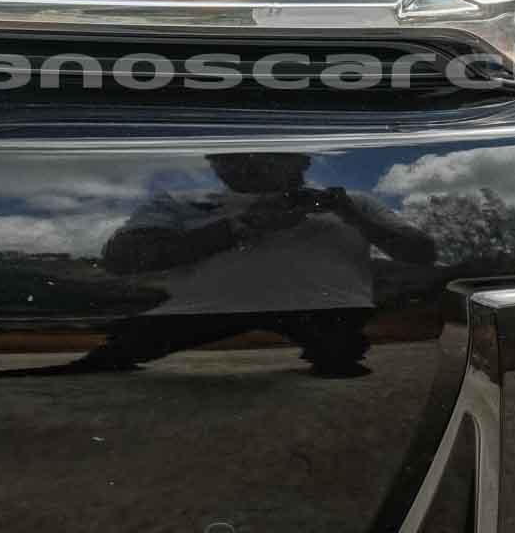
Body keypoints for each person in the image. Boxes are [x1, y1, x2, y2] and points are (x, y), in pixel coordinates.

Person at [46, 153, 434, 378]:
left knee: (340, 358)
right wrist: (241, 226)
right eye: (227, 157)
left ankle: (336, 351)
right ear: (216, 165)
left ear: (301, 161)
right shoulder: (182, 203)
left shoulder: (356, 203)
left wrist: (352, 215)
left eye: (268, 154)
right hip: (197, 312)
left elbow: (421, 254)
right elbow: (121, 259)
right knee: (110, 357)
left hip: (329, 311)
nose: (248, 162)